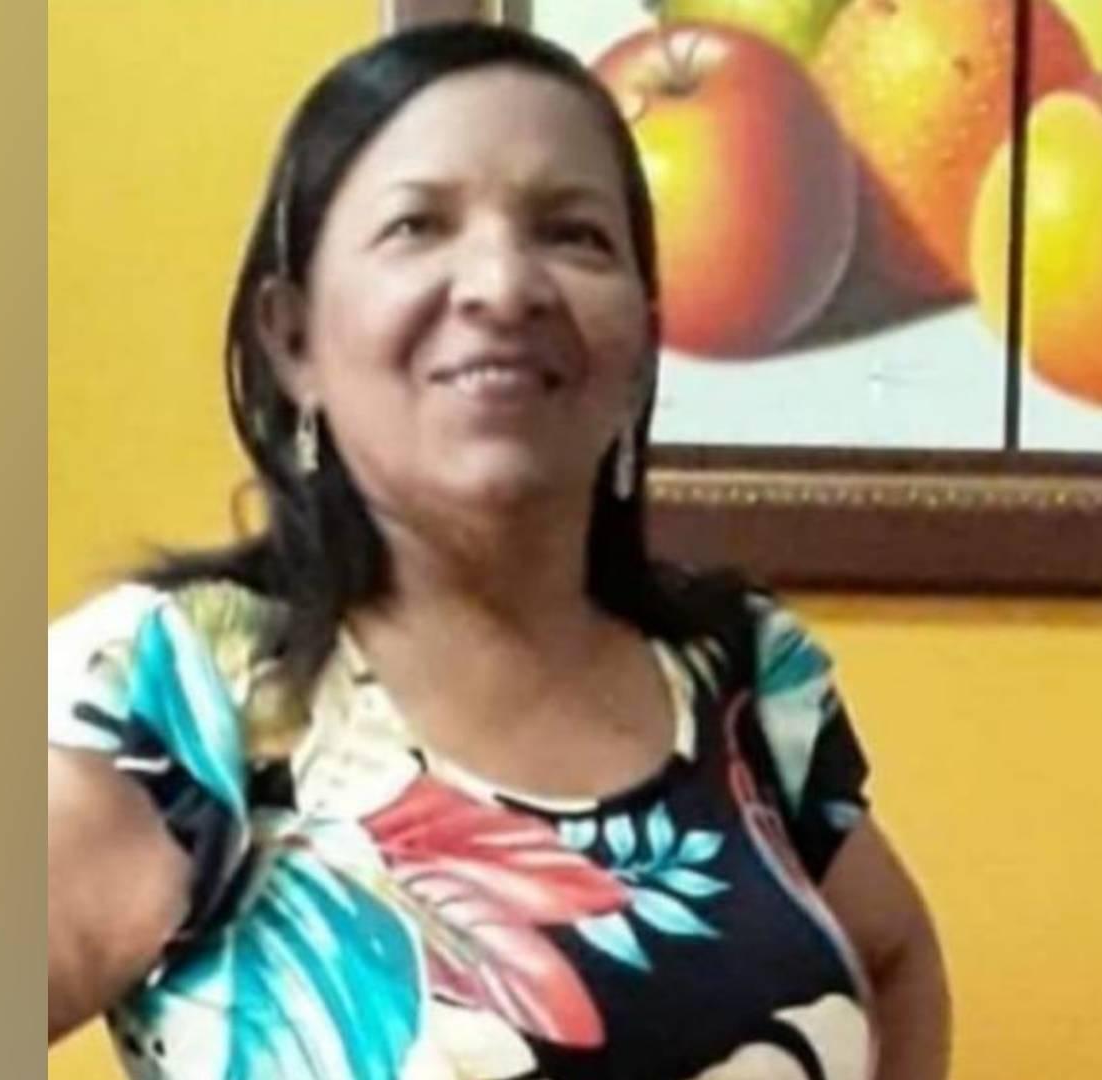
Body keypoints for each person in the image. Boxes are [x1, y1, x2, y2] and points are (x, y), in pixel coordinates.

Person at [47, 21, 949, 1079]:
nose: (504, 286)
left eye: (574, 234)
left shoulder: (742, 675)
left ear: (641, 346)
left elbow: (895, 958)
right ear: (293, 339)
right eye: (418, 226)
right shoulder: (177, 690)